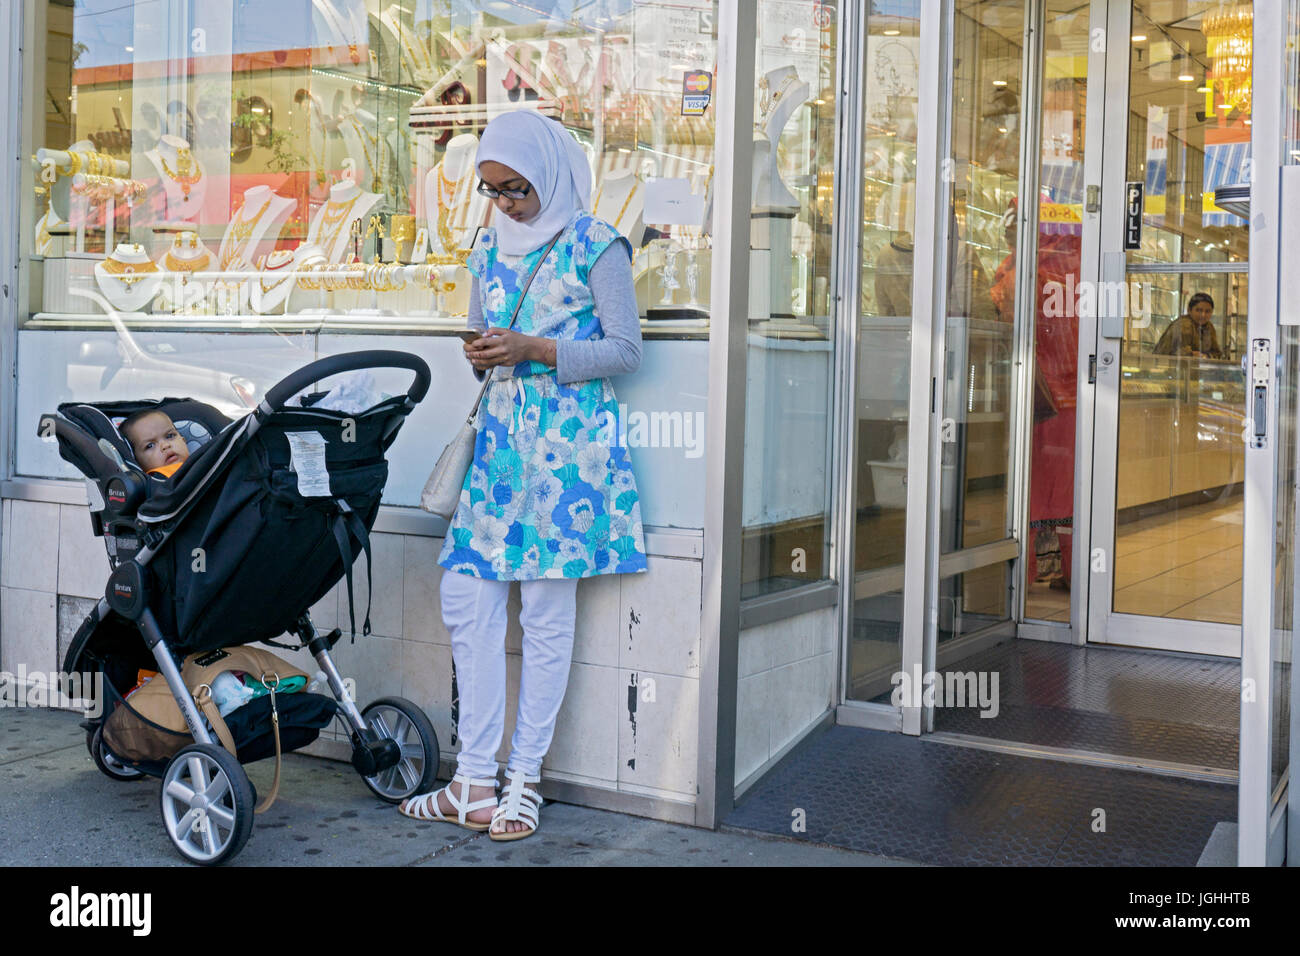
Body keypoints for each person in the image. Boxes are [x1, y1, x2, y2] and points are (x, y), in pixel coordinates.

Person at [399, 110, 647, 841]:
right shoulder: (485, 248)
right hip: (502, 447)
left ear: (550, 175)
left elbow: (628, 350)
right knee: (466, 601)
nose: (504, 204)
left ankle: (522, 781)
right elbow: (484, 338)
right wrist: (480, 353)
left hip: (569, 454)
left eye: (516, 189)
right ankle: (472, 780)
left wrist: (535, 348)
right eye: (492, 190)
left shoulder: (596, 244)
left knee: (543, 615)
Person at [119, 409, 190, 478]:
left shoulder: (199, 458)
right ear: (138, 463)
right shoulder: (156, 482)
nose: (165, 445)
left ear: (183, 440)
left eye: (170, 436)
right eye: (150, 445)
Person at [1153, 292, 1223, 358]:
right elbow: (1177, 354)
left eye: (1207, 311)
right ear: (1189, 310)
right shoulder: (1184, 325)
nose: (1203, 315)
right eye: (1199, 310)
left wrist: (1206, 356)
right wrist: (1192, 354)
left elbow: (1216, 353)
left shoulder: (1208, 326)